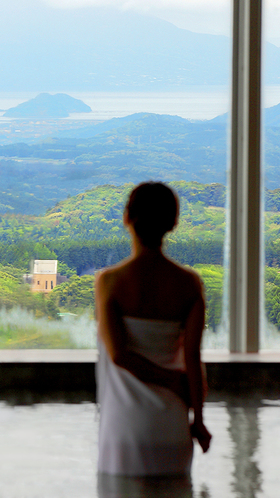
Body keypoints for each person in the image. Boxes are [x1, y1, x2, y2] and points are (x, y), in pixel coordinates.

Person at [95, 181, 211, 479]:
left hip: (124, 428)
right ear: (173, 223)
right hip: (172, 425)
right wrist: (198, 420)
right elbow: (193, 360)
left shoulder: (110, 282)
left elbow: (120, 355)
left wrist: (171, 380)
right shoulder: (188, 283)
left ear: (126, 218)